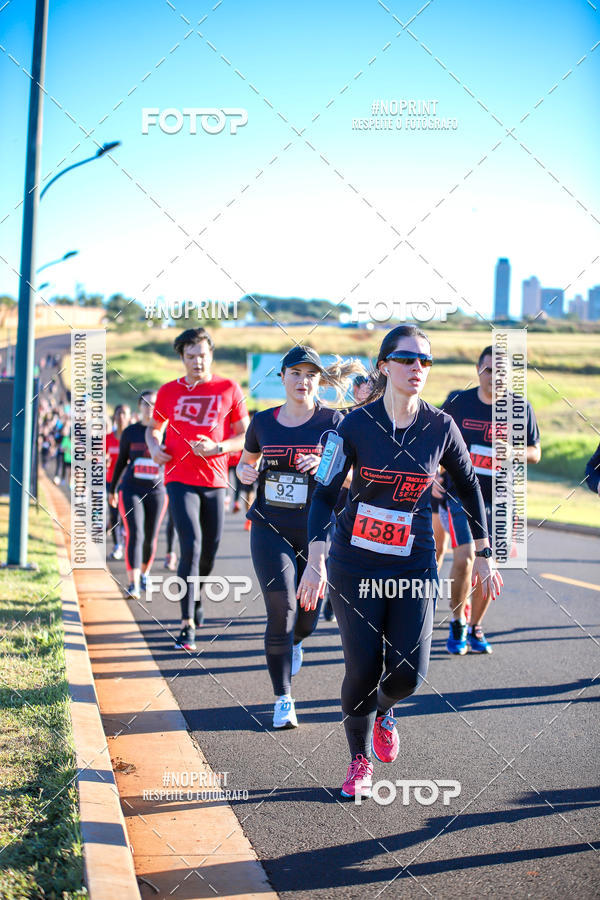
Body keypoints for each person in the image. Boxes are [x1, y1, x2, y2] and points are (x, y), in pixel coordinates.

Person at [297, 324, 503, 798]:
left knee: (408, 673)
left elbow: (469, 488)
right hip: (355, 561)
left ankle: (386, 709)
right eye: (408, 359)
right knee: (363, 668)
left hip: (413, 561)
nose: (417, 369)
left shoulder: (440, 426)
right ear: (385, 365)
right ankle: (359, 760)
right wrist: (317, 559)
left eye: (425, 361)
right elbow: (325, 494)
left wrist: (485, 553)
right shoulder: (352, 426)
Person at [236, 346, 362, 729]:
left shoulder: (336, 422)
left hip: (319, 531)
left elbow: (357, 478)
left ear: (319, 380)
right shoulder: (263, 422)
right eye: (296, 373)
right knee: (282, 608)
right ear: (283, 377)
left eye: (311, 374)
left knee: (305, 619)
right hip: (269, 527)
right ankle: (283, 698)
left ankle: (296, 642)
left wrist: (323, 466)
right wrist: (244, 474)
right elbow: (247, 462)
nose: (303, 380)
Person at [146, 327, 249, 651]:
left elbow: (245, 436)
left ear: (211, 355)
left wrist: (218, 446)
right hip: (179, 477)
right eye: (190, 356)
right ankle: (186, 623)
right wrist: (154, 447)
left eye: (202, 355)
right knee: (189, 545)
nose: (197, 362)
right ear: (182, 358)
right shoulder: (167, 392)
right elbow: (154, 429)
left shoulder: (228, 388)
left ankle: (198, 593)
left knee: (210, 550)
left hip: (216, 480)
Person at [440, 346, 541, 655]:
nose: (494, 377)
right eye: (488, 370)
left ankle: (475, 627)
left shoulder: (520, 408)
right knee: (467, 557)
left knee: (490, 565)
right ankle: (458, 621)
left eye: (501, 371)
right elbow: (435, 440)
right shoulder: (459, 402)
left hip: (499, 499)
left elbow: (535, 453)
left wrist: (513, 452)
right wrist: (433, 473)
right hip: (459, 495)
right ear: (478, 370)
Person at [109, 392, 168, 600]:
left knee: (150, 537)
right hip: (131, 488)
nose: (150, 407)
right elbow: (120, 462)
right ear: (139, 407)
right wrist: (112, 489)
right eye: (146, 404)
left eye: (154, 404)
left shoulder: (167, 433)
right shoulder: (131, 432)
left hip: (157, 491)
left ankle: (144, 574)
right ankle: (133, 584)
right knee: (135, 533)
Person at [106, 404, 131, 561]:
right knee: (114, 514)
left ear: (129, 417)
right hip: (112, 482)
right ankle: (117, 546)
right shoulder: (108, 438)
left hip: (129, 483)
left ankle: (127, 544)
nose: (121, 416)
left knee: (126, 516)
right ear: (114, 416)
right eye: (118, 413)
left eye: (124, 413)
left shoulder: (132, 437)